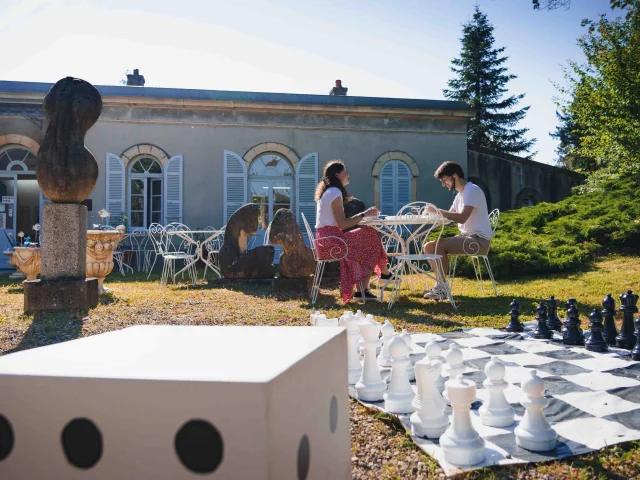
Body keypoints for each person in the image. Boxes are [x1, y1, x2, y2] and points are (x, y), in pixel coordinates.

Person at [314, 160, 395, 302]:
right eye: (345, 173)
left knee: (367, 238)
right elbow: (343, 224)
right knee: (370, 235)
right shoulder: (334, 192)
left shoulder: (328, 191)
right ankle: (382, 274)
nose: (348, 176)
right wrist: (364, 214)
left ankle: (365, 289)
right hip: (332, 242)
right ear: (337, 174)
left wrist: (362, 216)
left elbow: (340, 224)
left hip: (326, 239)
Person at [423, 161, 493, 300]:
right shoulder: (460, 195)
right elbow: (449, 217)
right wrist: (431, 215)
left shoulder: (472, 190)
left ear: (454, 175)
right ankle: (441, 286)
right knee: (429, 246)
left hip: (479, 241)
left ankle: (442, 288)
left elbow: (461, 218)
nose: (443, 184)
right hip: (467, 237)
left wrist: (439, 211)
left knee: (437, 245)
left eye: (444, 180)